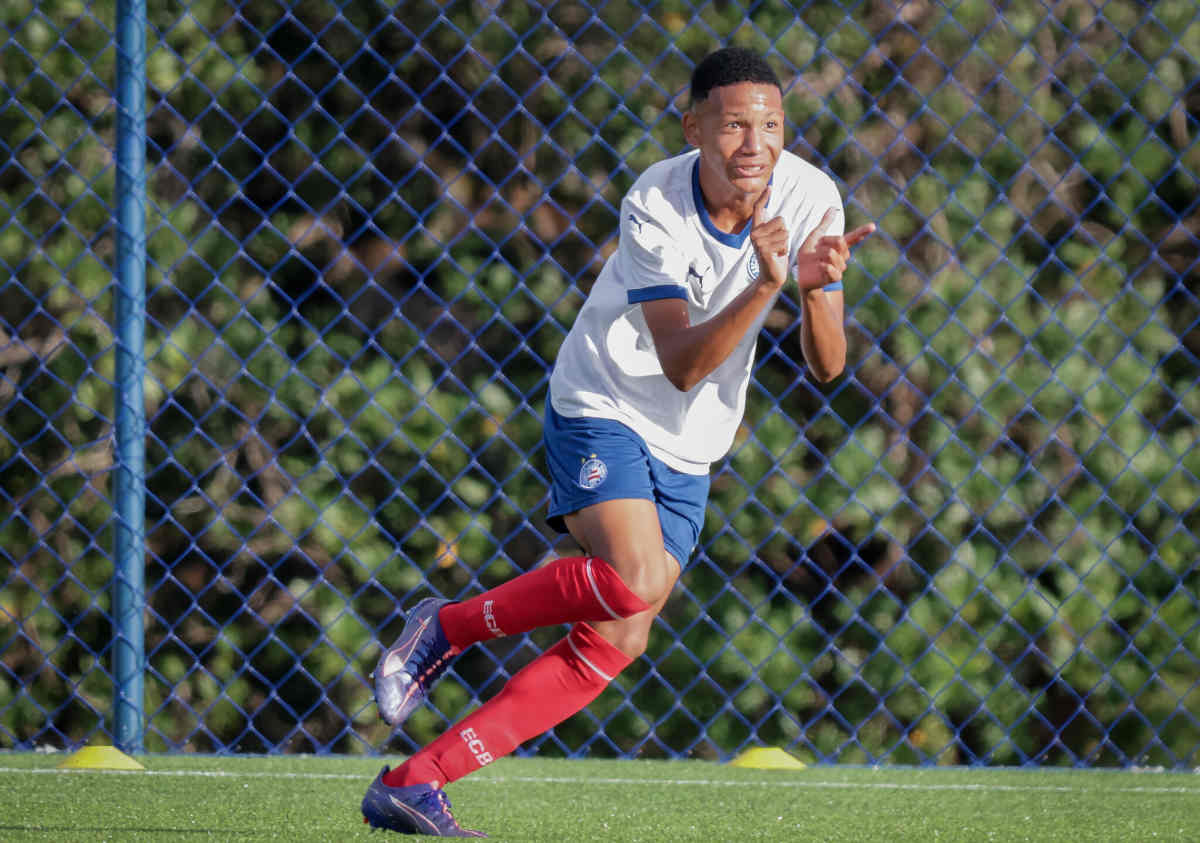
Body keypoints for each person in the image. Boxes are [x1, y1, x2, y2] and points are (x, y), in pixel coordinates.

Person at [360, 46, 875, 836]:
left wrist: (813, 293)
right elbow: (679, 363)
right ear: (692, 125)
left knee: (620, 633)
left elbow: (829, 365)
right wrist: (767, 283)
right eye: (734, 124)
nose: (755, 144)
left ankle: (414, 780)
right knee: (632, 579)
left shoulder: (812, 196)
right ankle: (448, 626)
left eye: (771, 125)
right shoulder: (657, 203)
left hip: (690, 445)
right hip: (604, 400)